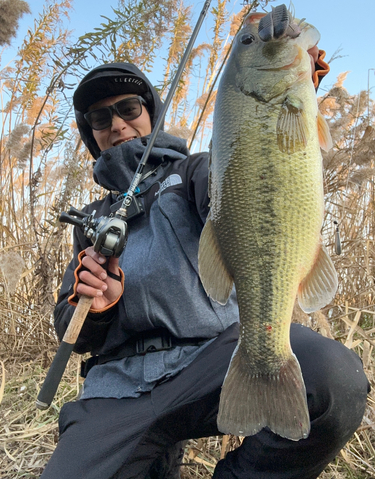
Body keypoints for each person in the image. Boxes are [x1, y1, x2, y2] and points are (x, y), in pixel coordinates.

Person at [40, 41, 370, 479]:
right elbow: (70, 328)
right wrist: (99, 306)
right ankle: (154, 454)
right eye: (101, 117)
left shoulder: (195, 172)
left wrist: (283, 104)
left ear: (150, 113)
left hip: (214, 360)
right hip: (118, 388)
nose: (117, 124)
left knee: (332, 379)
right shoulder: (92, 221)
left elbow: (244, 185)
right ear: (91, 133)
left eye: (129, 107)